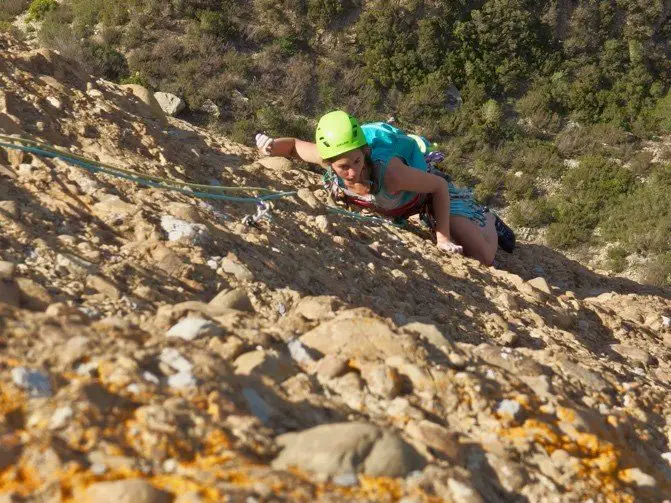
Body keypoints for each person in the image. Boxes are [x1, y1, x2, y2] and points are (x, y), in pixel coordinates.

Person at [255, 110, 515, 265]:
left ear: (365, 151)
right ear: (328, 162)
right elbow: (294, 147)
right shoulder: (328, 160)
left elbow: (437, 187)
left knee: (483, 256)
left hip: (427, 194)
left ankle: (489, 219)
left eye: (357, 160)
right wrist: (270, 145)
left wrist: (443, 236)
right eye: (343, 166)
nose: (353, 171)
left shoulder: (390, 173)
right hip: (397, 205)